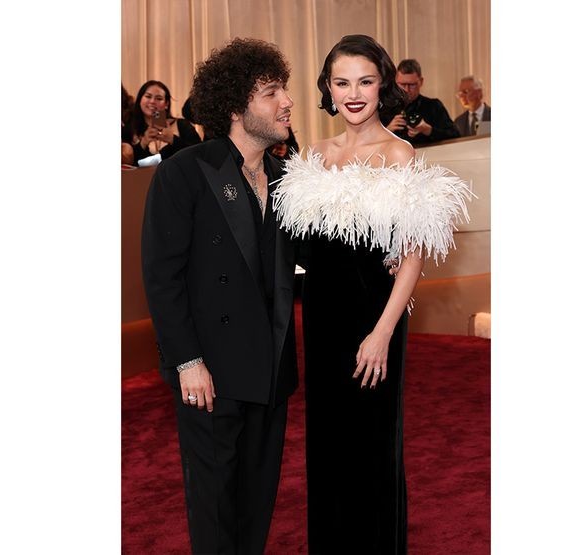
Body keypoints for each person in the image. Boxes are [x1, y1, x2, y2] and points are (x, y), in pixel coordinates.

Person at [273, 35, 471, 553]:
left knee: (371, 447)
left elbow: (412, 254)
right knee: (329, 447)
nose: (353, 93)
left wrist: (383, 333)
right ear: (328, 89)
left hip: (373, 319)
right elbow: (305, 246)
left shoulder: (399, 154)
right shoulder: (316, 154)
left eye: (364, 80)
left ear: (381, 84)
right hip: (321, 319)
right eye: (342, 82)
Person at [141, 37, 298, 554]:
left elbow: (303, 266)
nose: (286, 102)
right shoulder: (186, 171)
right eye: (271, 92)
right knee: (214, 506)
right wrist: (187, 361)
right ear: (236, 106)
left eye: (284, 90)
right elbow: (162, 277)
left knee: (257, 504)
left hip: (271, 367)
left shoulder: (286, 179)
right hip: (209, 371)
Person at [382, 58, 460, 146]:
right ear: (395, 82)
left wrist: (428, 130)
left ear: (421, 82)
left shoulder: (433, 106)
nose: (406, 90)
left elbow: (455, 135)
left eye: (412, 85)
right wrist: (388, 130)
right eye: (402, 84)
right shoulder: (385, 107)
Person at [128, 80, 202, 165]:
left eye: (159, 98)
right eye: (148, 96)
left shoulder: (181, 125)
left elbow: (199, 154)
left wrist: (173, 139)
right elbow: (127, 163)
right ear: (140, 100)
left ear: (166, 104)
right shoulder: (130, 128)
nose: (152, 101)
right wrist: (143, 143)